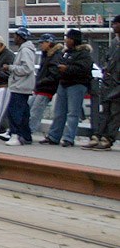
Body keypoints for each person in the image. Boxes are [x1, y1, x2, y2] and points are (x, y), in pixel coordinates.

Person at [41, 29, 93, 147]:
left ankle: (69, 138)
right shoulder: (66, 53)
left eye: (68, 38)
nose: (66, 40)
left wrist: (67, 69)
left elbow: (84, 69)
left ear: (74, 40)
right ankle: (54, 136)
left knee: (72, 113)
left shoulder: (84, 54)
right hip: (64, 83)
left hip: (77, 85)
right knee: (59, 112)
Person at [83, 15, 120, 151]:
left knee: (115, 112)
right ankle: (98, 135)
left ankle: (109, 138)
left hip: (117, 83)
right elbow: (109, 60)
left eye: (116, 23)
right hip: (109, 82)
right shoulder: (115, 42)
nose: (114, 26)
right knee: (105, 111)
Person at [1, 27, 36, 146]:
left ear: (21, 37)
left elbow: (27, 68)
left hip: (20, 86)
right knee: (24, 112)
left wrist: (10, 68)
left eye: (16, 36)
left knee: (14, 111)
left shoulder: (25, 50)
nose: (14, 38)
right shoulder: (25, 49)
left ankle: (15, 135)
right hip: (22, 85)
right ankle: (26, 136)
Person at [28, 33, 62, 136]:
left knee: (35, 112)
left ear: (49, 43)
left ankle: (29, 131)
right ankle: (26, 130)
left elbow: (54, 74)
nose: (40, 45)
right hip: (41, 87)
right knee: (29, 108)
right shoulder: (46, 54)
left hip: (46, 89)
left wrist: (41, 81)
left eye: (42, 43)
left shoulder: (55, 56)